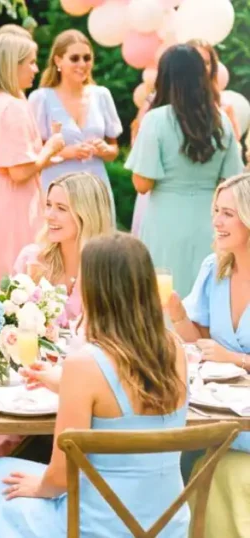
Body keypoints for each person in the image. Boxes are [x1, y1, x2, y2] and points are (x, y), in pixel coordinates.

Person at [0, 232, 190, 537]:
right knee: (1, 476)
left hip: (94, 526)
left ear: (96, 290)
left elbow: (60, 477)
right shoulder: (174, 349)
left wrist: (40, 487)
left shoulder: (84, 364)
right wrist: (61, 382)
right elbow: (125, 402)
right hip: (166, 523)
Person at [0, 171, 114, 467]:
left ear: (87, 214)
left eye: (62, 209)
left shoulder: (107, 268)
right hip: (33, 381)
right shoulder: (33, 259)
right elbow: (8, 328)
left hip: (87, 388)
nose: (50, 216)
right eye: (49, 206)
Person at [167, 172, 250, 538]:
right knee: (170, 447)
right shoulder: (213, 268)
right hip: (217, 407)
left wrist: (235, 359)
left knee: (193, 451)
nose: (216, 221)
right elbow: (197, 340)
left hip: (238, 421)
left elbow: (219, 353)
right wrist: (176, 315)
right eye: (216, 211)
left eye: (228, 213)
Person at [125, 44, 244, 298]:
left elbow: (142, 184)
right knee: (205, 297)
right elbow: (233, 179)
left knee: (164, 298)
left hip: (165, 221)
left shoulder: (155, 120)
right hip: (209, 222)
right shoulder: (220, 119)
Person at [0, 33, 65, 280]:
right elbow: (19, 173)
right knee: (16, 274)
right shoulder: (12, 107)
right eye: (30, 62)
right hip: (13, 203)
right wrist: (50, 148)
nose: (35, 69)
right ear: (12, 65)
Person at [28, 30, 121, 209]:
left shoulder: (101, 95)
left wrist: (104, 149)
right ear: (58, 60)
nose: (82, 64)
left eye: (87, 58)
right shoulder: (41, 98)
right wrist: (68, 152)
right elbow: (33, 153)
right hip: (56, 190)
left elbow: (114, 150)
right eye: (75, 58)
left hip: (95, 189)